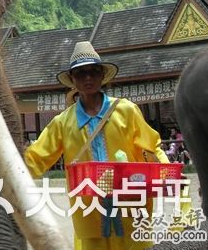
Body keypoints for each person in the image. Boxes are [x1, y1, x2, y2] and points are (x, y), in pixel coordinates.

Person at [25, 41, 169, 250]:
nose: (88, 78)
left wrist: (167, 173)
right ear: (73, 80)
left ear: (102, 75)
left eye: (93, 71)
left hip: (130, 203)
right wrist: (4, 175)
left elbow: (152, 147)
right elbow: (36, 158)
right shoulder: (63, 122)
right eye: (81, 73)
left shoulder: (126, 111)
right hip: (89, 209)